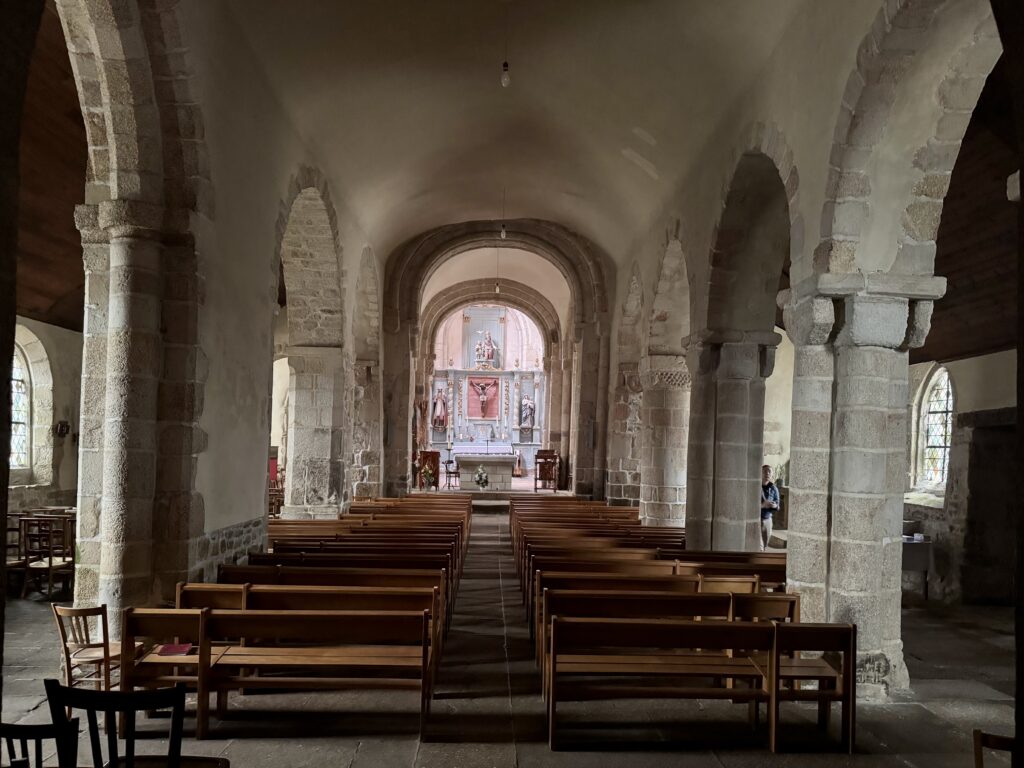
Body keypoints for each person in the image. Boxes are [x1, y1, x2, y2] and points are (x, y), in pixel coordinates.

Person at [760, 464, 779, 552]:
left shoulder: (774, 488)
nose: (767, 473)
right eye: (765, 471)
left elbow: (777, 505)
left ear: (772, 474)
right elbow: (749, 504)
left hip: (768, 519)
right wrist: (762, 505)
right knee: (759, 546)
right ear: (760, 473)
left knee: (765, 544)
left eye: (769, 471)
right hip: (757, 519)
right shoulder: (755, 486)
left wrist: (774, 505)